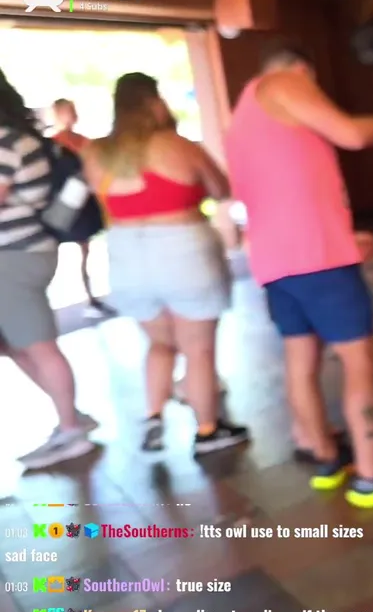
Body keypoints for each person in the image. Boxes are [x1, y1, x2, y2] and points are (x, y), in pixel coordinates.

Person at [223, 40, 373, 508]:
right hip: (318, 260)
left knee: (301, 358)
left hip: (275, 261)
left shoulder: (243, 114)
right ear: (302, 70)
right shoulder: (283, 82)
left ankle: (326, 459)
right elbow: (353, 135)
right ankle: (372, 475)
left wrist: (342, 234)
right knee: (360, 359)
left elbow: (290, 186)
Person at [80, 72, 248, 455]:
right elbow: (221, 189)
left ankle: (153, 416)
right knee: (197, 348)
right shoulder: (176, 145)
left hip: (125, 253)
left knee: (159, 343)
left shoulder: (96, 153)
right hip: (182, 247)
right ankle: (207, 430)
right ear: (154, 102)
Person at [0, 69, 98, 469]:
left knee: (38, 344)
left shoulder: (5, 142)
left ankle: (71, 430)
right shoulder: (21, 137)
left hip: (15, 255)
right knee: (16, 344)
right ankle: (71, 415)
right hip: (25, 252)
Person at [49, 97, 113, 319]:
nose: (73, 115)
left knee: (85, 251)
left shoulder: (84, 141)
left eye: (73, 110)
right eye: (68, 111)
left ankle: (90, 298)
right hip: (64, 203)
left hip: (84, 202)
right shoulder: (53, 144)